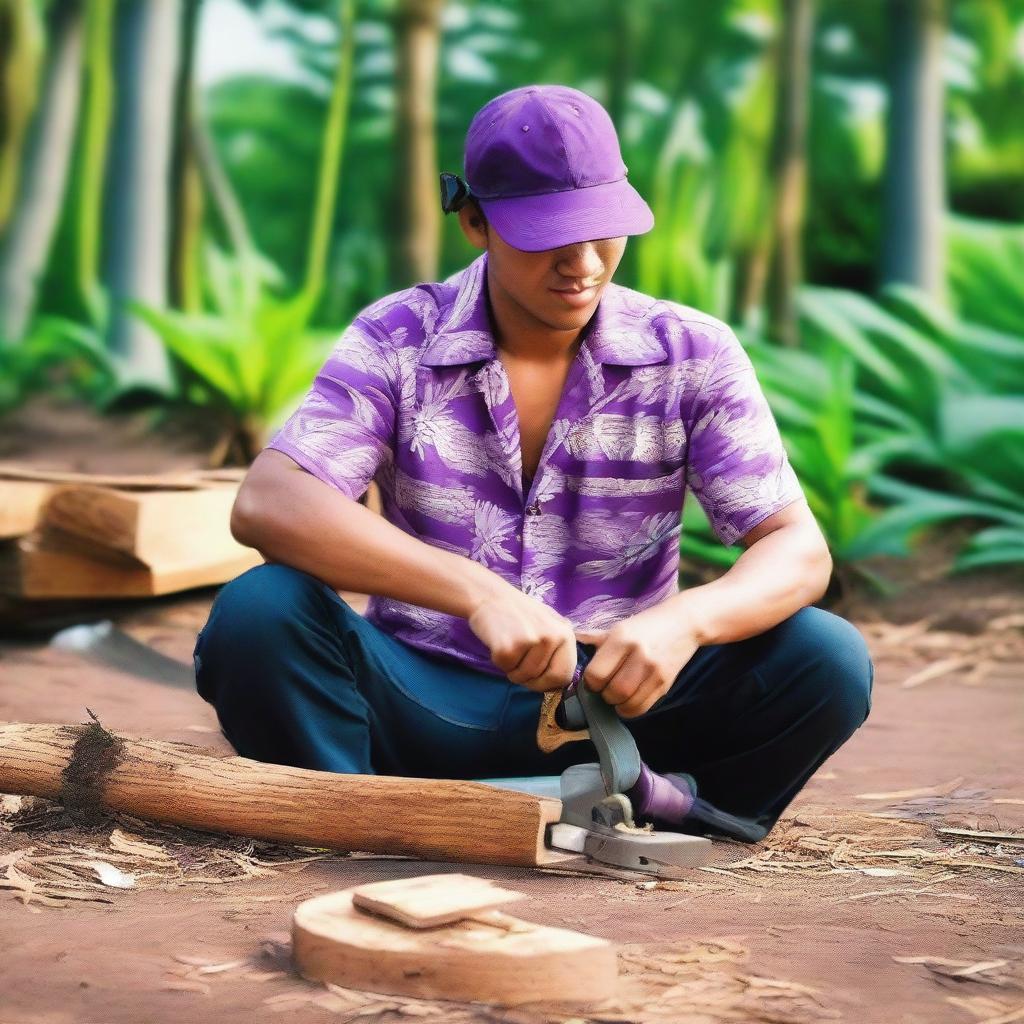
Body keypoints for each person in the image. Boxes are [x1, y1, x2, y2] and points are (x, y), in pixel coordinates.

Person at [193, 84, 873, 839]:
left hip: (628, 712)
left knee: (826, 658)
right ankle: (360, 825)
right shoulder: (396, 336)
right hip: (428, 702)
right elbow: (271, 503)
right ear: (474, 220)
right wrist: (478, 594)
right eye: (549, 235)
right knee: (259, 615)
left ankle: (680, 818)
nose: (583, 264)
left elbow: (797, 551)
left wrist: (686, 623)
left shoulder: (693, 351)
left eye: (604, 230)